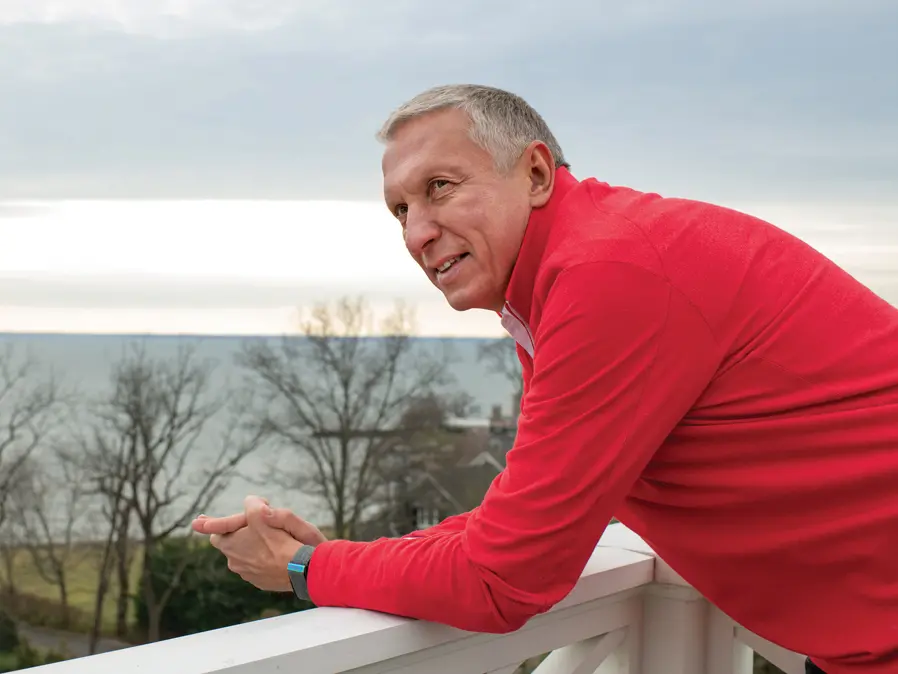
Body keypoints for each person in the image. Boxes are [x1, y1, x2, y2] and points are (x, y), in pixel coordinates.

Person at [192, 84, 898, 674]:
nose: (416, 234)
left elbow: (502, 580)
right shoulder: (576, 274)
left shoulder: (610, 276)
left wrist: (301, 570)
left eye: (440, 188)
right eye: (401, 210)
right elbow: (521, 521)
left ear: (534, 174)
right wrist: (331, 557)